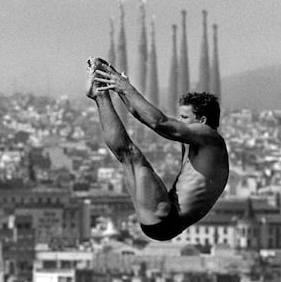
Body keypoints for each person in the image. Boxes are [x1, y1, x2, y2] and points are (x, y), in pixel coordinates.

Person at [86, 58, 229, 241]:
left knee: (132, 155)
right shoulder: (199, 142)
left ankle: (99, 96)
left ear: (202, 121)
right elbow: (139, 113)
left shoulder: (210, 138)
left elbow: (159, 122)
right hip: (160, 219)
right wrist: (112, 79)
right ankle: (100, 95)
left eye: (185, 117)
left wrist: (125, 88)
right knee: (127, 156)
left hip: (166, 217)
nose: (181, 121)